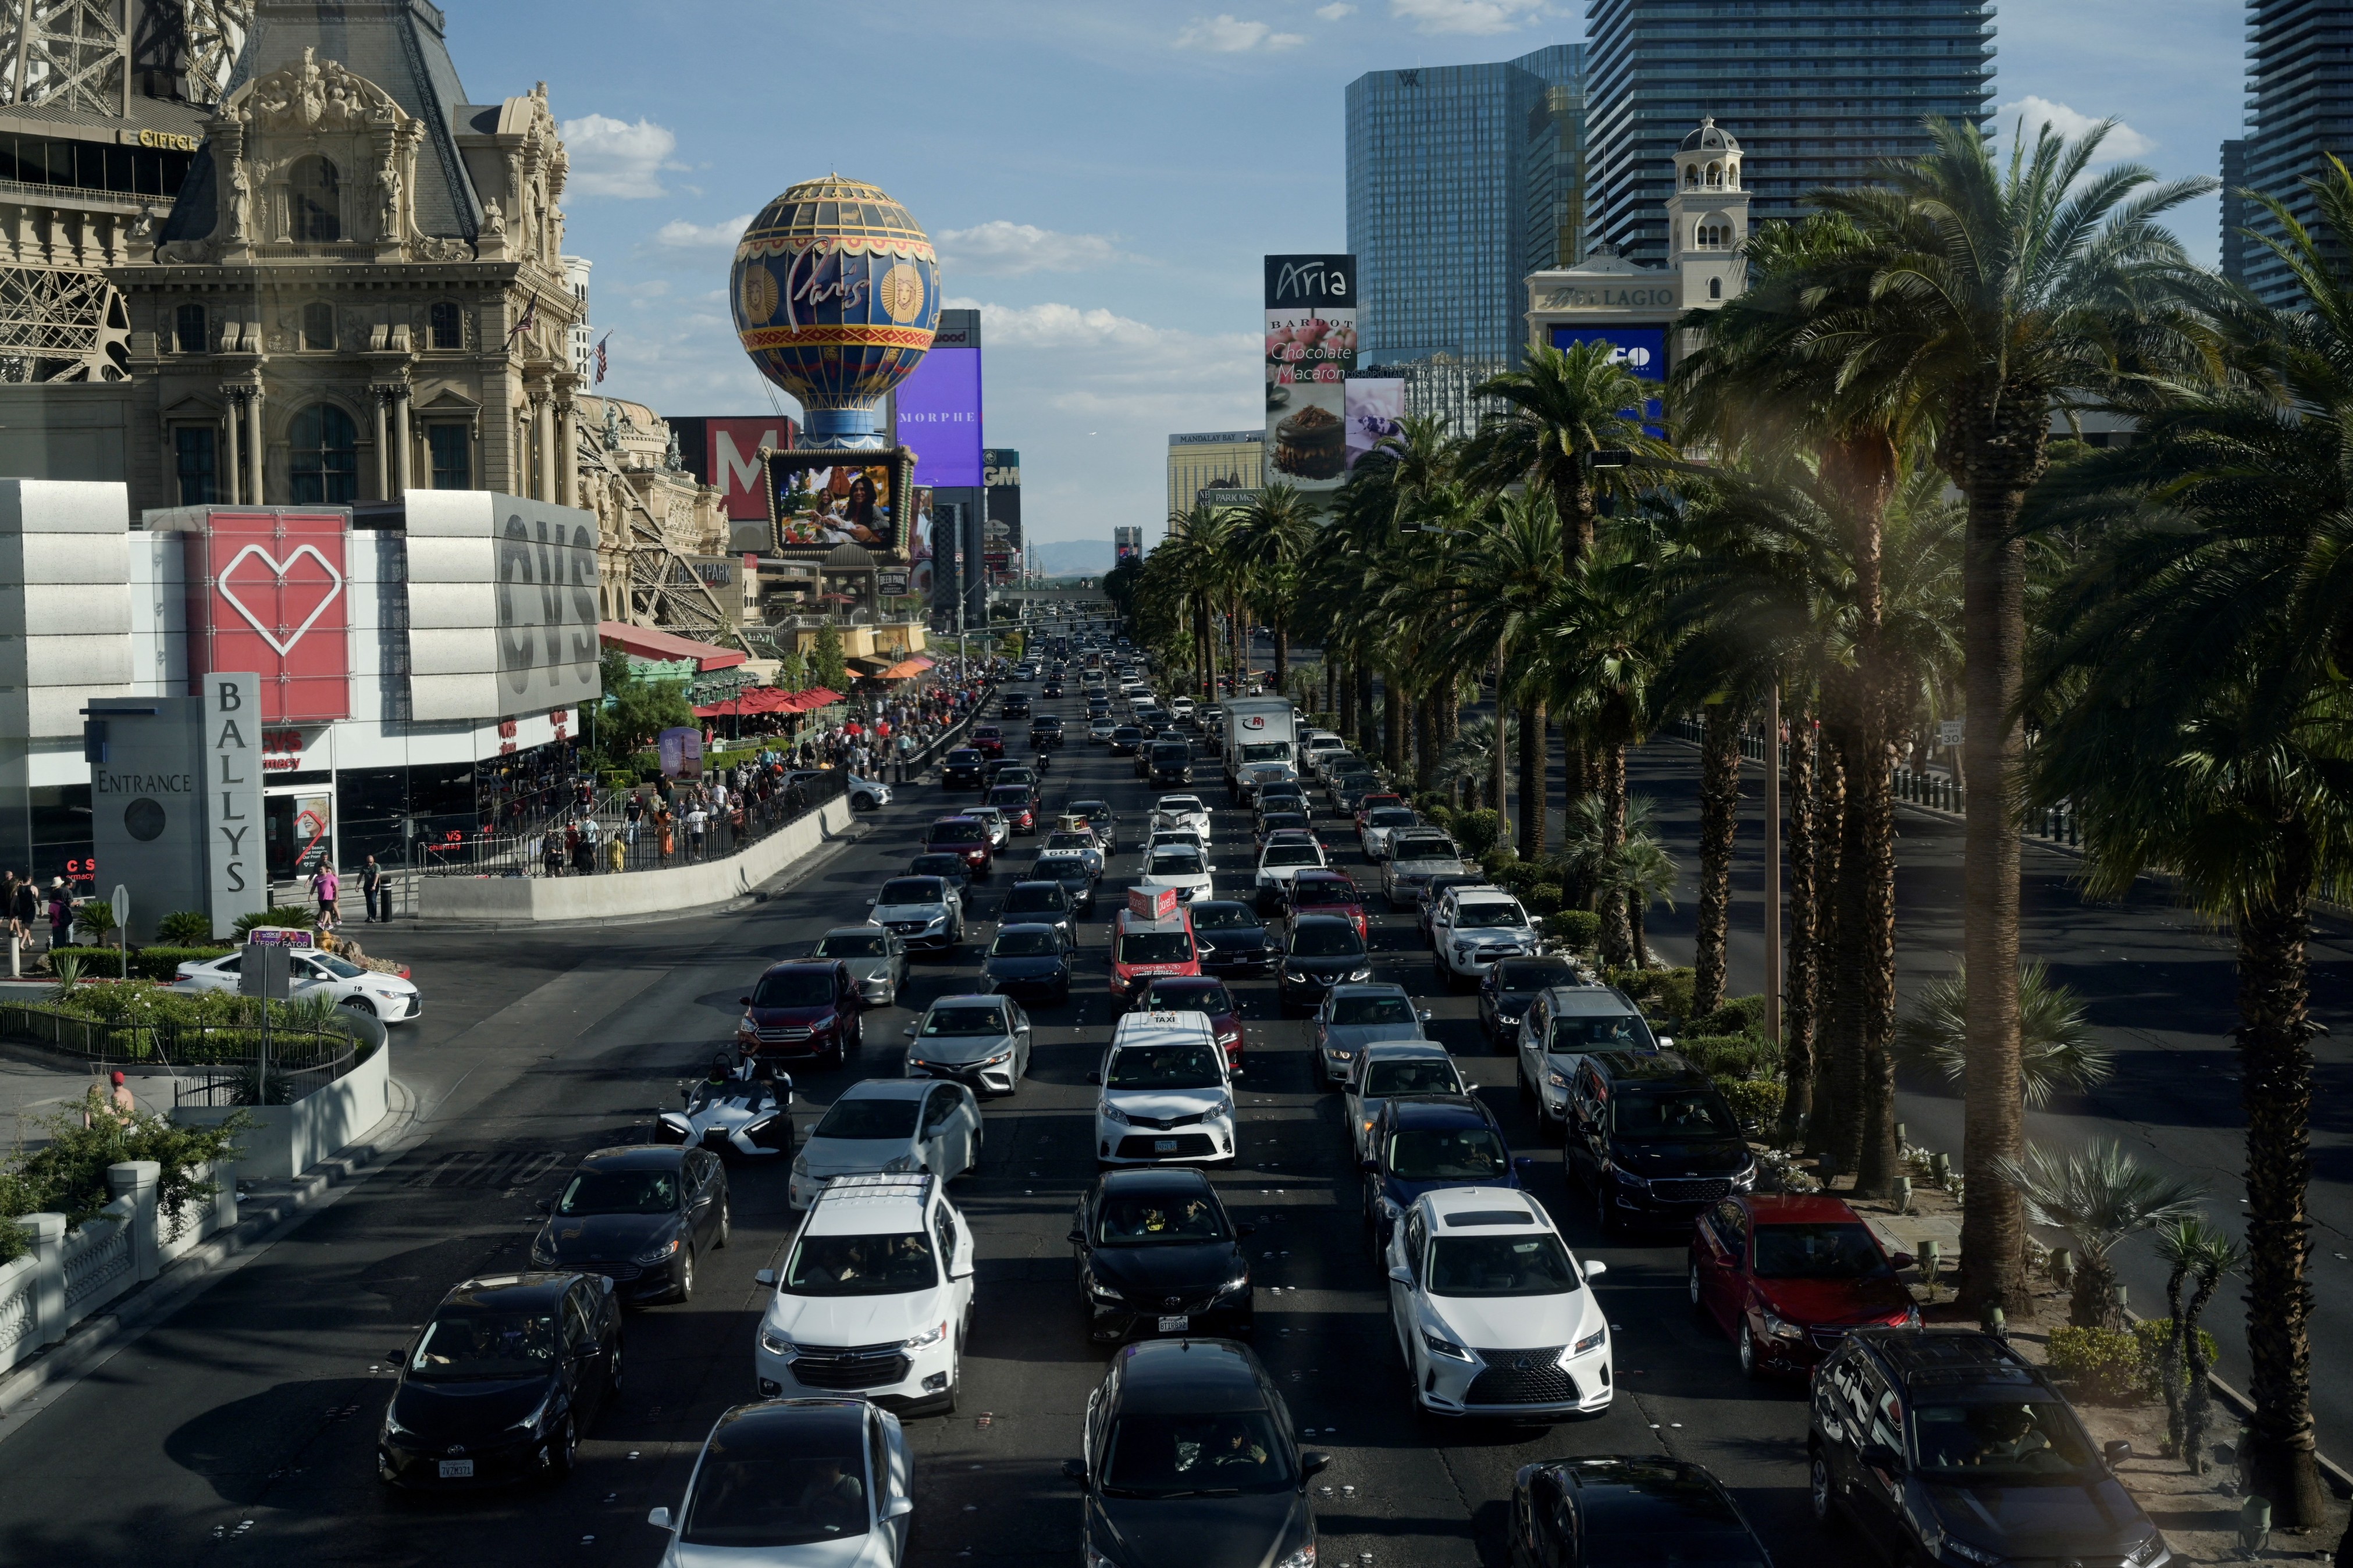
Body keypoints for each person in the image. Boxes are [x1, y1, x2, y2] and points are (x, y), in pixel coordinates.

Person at [311, 864, 340, 930]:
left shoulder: (331, 876)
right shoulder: (317, 878)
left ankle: (323, 924)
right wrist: (310, 896)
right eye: (319, 870)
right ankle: (330, 924)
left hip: (329, 897)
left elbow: (336, 886)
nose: (320, 871)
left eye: (322, 869)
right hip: (321, 898)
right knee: (324, 911)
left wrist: (336, 896)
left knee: (326, 911)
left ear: (325, 870)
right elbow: (313, 887)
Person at [360, 855, 384, 922]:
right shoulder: (364, 866)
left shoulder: (377, 866)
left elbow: (377, 875)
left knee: (373, 900)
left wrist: (374, 885)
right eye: (368, 862)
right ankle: (369, 916)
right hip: (367, 885)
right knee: (368, 902)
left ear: (373, 861)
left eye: (370, 862)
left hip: (374, 885)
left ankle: (373, 917)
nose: (369, 864)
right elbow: (360, 875)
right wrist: (357, 885)